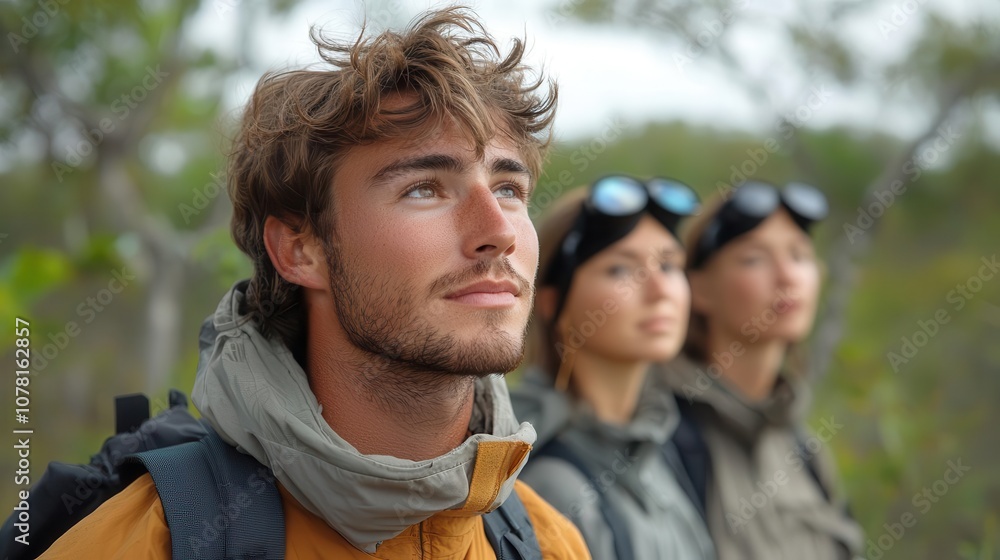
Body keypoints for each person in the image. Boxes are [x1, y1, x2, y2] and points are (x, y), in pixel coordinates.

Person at [39, 7, 590, 559]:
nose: (498, 232)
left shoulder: (547, 541)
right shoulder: (148, 543)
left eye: (509, 190)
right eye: (425, 188)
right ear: (301, 251)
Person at [510, 176, 716, 559]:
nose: (660, 291)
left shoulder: (663, 445)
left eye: (670, 266)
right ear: (554, 303)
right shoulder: (548, 482)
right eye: (621, 270)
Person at [657, 181, 865, 559]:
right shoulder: (661, 432)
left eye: (800, 256)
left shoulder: (803, 449)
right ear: (699, 289)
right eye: (755, 259)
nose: (788, 276)